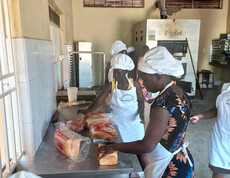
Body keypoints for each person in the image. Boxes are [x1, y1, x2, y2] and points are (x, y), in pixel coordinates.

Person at [98, 46, 195, 178]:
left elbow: (147, 145)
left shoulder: (162, 103)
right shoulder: (179, 92)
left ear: (158, 75)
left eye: (145, 79)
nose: (143, 84)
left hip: (169, 168)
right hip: (182, 159)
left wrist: (115, 147)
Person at [79, 53, 146, 168]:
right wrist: (87, 110)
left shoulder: (134, 84)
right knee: (119, 150)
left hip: (134, 123)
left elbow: (141, 100)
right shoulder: (111, 85)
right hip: (118, 123)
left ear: (125, 72)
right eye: (115, 72)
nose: (116, 75)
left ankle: (148, 174)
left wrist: (141, 114)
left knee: (141, 151)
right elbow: (99, 100)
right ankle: (127, 173)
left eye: (119, 72)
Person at [190, 83, 230, 178]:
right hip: (221, 137)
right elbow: (216, 110)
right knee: (219, 169)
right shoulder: (224, 87)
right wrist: (200, 116)